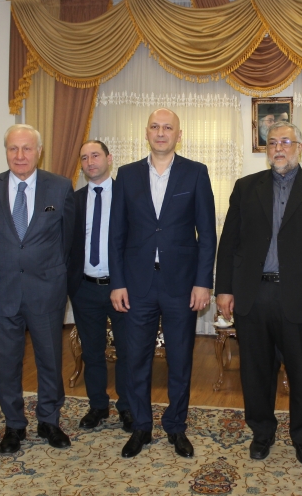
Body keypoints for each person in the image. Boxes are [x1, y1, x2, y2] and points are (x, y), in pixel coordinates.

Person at [216, 121, 302, 465]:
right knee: (256, 372)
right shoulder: (246, 187)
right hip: (254, 295)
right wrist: (224, 289)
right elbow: (229, 242)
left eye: (286, 142)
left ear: (299, 147)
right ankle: (262, 433)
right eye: (272, 142)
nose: (278, 148)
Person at [109, 108, 216, 458]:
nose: (160, 132)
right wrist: (117, 282)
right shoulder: (126, 175)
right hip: (136, 285)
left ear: (178, 135)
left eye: (167, 127)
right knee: (135, 359)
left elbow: (207, 234)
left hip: (181, 285)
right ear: (146, 132)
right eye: (154, 126)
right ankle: (141, 426)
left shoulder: (196, 173)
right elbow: (116, 234)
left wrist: (203, 282)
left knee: (180, 360)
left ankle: (175, 426)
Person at [0, 124, 75, 454]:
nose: (20, 155)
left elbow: (67, 241)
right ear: (6, 151)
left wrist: (52, 275)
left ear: (39, 152)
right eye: (13, 148)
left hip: (46, 291)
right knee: (6, 363)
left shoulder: (60, 187)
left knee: (50, 359)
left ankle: (49, 420)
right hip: (2, 291)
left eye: (27, 148)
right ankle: (14, 425)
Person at [67, 140, 132, 431]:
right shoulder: (74, 200)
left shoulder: (127, 195)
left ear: (109, 158)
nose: (90, 162)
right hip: (84, 288)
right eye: (84, 158)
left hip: (121, 288)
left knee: (127, 351)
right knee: (92, 351)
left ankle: (127, 406)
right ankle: (97, 406)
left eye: (95, 155)